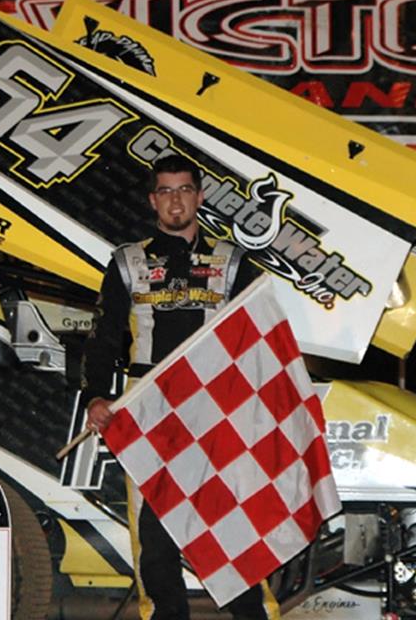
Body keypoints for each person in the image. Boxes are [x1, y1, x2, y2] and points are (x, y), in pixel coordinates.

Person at [81, 155, 273, 620]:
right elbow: (106, 334)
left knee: (230, 516)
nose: (175, 201)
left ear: (199, 197)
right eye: (165, 192)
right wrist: (96, 394)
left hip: (216, 402)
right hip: (148, 404)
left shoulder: (232, 260)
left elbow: (258, 336)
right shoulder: (127, 260)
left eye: (184, 190)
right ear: (153, 200)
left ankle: (252, 614)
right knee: (157, 524)